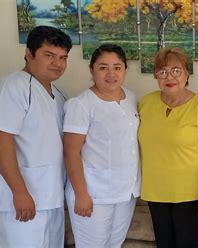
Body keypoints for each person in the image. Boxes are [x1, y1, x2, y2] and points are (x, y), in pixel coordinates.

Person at [0, 26, 72, 247]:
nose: (57, 63)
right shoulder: (12, 87)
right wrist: (20, 192)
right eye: (49, 55)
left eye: (63, 57)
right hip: (21, 199)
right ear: (29, 53)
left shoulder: (59, 94)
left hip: (51, 198)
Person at [138, 47, 198, 248]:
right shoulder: (146, 103)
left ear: (186, 74)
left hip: (190, 195)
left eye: (176, 70)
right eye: (163, 71)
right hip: (155, 192)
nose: (170, 77)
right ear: (156, 76)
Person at [63, 44, 140, 247]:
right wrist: (81, 194)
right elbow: (71, 152)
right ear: (92, 70)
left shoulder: (131, 98)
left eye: (117, 67)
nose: (111, 74)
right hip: (93, 194)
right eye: (103, 67)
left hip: (126, 193)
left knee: (115, 244)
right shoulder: (81, 104)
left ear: (124, 70)